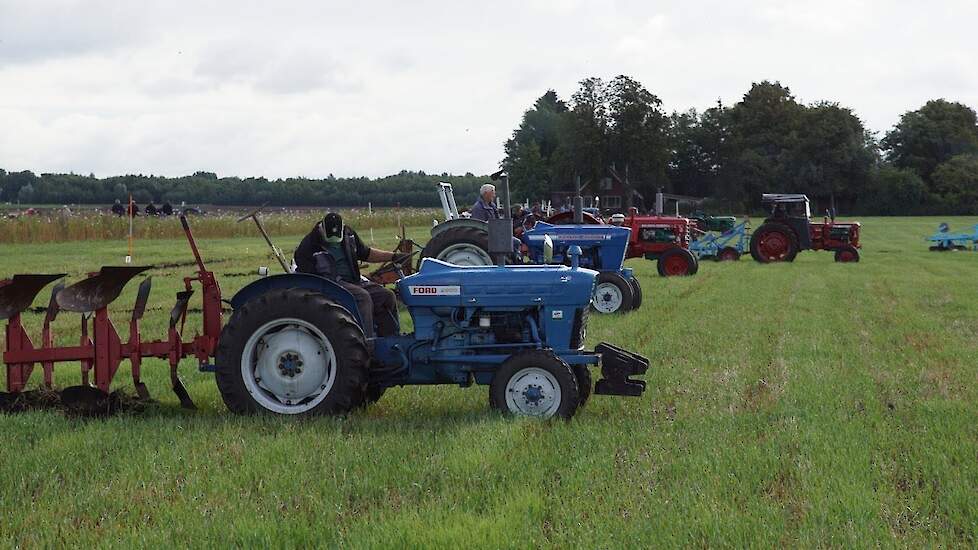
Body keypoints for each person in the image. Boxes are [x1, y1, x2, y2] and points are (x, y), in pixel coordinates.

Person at [293, 212, 399, 338]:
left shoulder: (350, 235)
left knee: (386, 296)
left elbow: (366, 253)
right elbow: (308, 276)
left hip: (354, 281)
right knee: (362, 297)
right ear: (321, 229)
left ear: (343, 229)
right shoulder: (309, 245)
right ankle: (366, 342)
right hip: (331, 283)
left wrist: (393, 256)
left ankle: (391, 339)